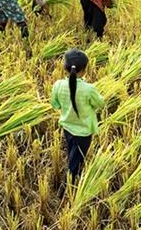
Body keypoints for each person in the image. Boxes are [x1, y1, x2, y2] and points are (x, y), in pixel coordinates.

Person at [51, 49, 104, 186]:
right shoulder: (89, 89)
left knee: (72, 152)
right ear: (84, 70)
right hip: (84, 132)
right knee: (76, 162)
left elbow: (55, 105)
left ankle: (71, 175)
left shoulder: (58, 85)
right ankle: (67, 188)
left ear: (64, 68)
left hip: (67, 128)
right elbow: (100, 104)